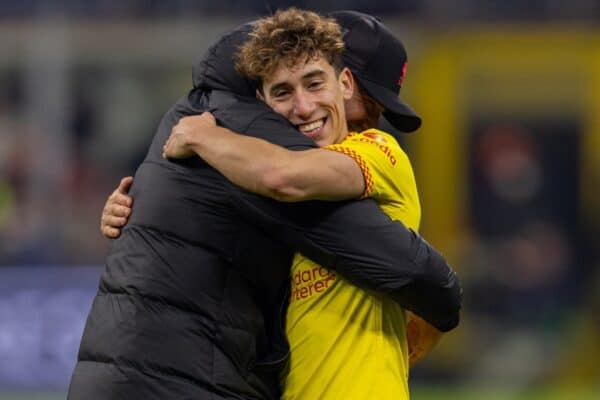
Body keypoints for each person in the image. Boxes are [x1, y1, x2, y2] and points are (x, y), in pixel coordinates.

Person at [77, 9, 460, 400]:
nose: (304, 107)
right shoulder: (286, 198)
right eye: (284, 92)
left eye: (315, 84)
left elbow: (283, 177)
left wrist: (203, 137)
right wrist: (137, 206)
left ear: (342, 82)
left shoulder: (378, 150)